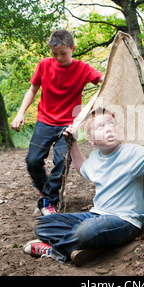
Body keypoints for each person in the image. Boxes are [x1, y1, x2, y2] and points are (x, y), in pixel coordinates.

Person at [23, 106, 144, 265]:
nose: (108, 129)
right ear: (91, 139)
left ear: (119, 130)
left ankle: (55, 251)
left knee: (88, 230)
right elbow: (83, 168)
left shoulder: (133, 153)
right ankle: (86, 247)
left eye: (111, 124)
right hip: (95, 215)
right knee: (43, 225)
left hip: (124, 221)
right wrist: (72, 144)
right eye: (100, 127)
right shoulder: (95, 157)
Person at [11, 29, 104, 216]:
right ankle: (47, 194)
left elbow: (105, 80)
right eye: (55, 54)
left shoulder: (83, 68)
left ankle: (48, 201)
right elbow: (32, 90)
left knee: (61, 162)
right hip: (45, 120)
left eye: (63, 53)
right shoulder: (44, 65)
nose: (59, 58)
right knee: (33, 161)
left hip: (69, 124)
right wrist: (20, 113)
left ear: (73, 48)